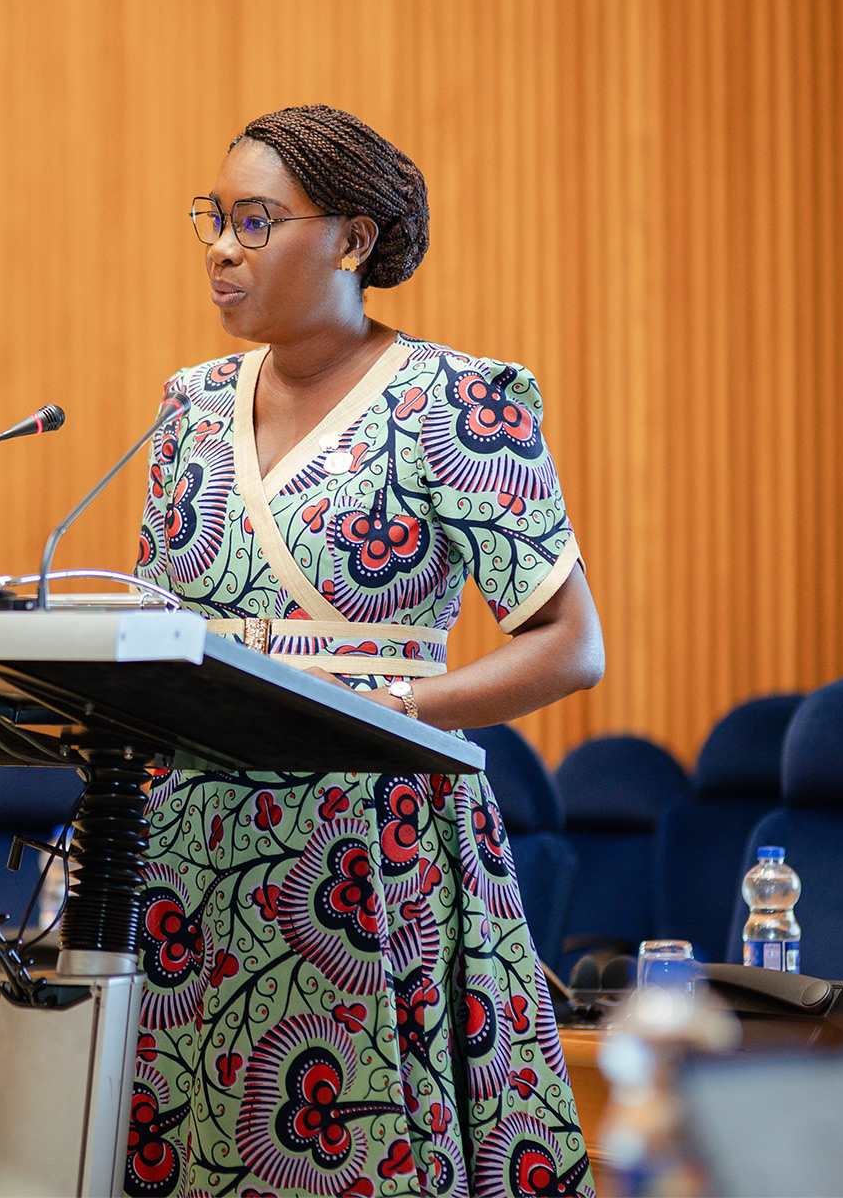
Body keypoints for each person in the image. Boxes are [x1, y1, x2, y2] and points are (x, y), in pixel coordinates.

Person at [128, 106, 605, 1197]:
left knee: (355, 1138)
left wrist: (396, 702)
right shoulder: (188, 411)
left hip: (368, 854)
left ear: (351, 241)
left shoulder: (457, 400)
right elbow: (157, 623)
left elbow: (570, 645)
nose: (219, 246)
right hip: (193, 855)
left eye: (255, 221)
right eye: (215, 218)